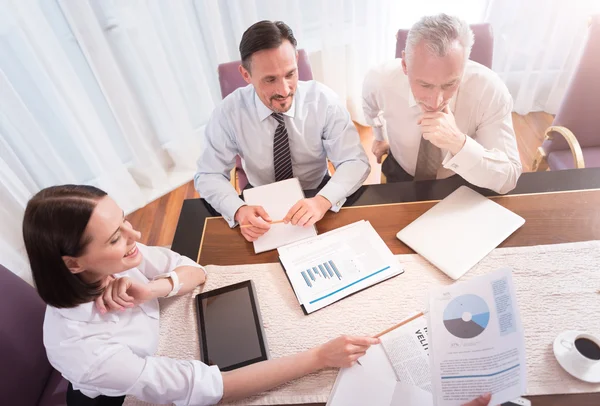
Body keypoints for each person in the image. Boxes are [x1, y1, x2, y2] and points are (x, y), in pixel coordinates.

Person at [23, 184, 379, 405]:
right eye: (115, 237)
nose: (134, 235)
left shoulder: (116, 262)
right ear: (72, 263)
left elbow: (193, 269)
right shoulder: (88, 352)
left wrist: (152, 289)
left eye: (125, 221)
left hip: (161, 344)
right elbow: (211, 389)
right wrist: (319, 357)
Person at [195, 20, 370, 242]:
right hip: (259, 198)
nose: (284, 90)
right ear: (246, 75)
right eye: (270, 79)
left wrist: (323, 200)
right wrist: (238, 210)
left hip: (316, 191)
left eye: (290, 74)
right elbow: (208, 174)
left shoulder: (324, 101)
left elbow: (355, 161)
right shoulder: (228, 113)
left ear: (296, 60)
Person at [362, 14, 522, 194]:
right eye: (425, 85)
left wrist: (458, 143)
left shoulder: (490, 91)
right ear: (405, 64)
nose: (436, 101)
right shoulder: (380, 80)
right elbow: (371, 108)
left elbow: (509, 178)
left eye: (450, 84)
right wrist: (380, 136)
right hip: (400, 172)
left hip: (463, 177)